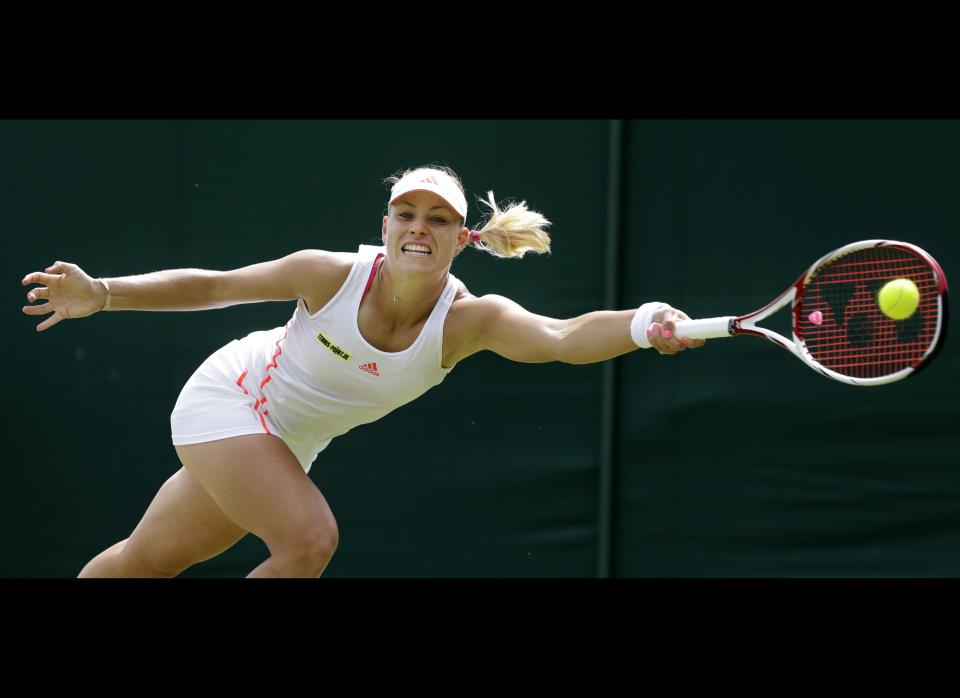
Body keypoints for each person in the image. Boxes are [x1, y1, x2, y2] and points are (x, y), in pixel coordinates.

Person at [21, 165, 704, 578]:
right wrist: (104, 292)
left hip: (287, 444)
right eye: (406, 213)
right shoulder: (327, 274)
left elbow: (562, 335)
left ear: (462, 239)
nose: (418, 227)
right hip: (232, 399)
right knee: (309, 541)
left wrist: (646, 325)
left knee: (147, 562)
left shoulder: (471, 321)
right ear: (385, 225)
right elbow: (213, 286)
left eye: (438, 219)